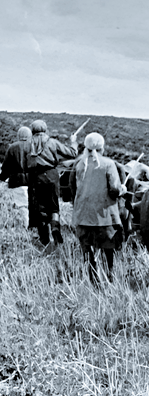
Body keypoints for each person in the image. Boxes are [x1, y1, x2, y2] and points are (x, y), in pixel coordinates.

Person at [69, 133, 127, 282]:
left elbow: (72, 188)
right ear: (102, 147)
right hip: (105, 217)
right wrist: (123, 189)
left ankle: (93, 280)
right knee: (108, 251)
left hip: (82, 216)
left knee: (87, 252)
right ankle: (110, 278)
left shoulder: (79, 164)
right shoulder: (108, 164)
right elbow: (114, 190)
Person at [26, 119, 78, 245]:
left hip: (34, 177)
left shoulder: (27, 144)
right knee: (54, 206)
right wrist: (73, 142)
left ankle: (44, 239)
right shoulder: (52, 142)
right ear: (45, 129)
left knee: (39, 208)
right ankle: (55, 228)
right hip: (51, 176)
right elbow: (73, 153)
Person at [0, 126, 32, 226]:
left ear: (18, 135)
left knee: (22, 206)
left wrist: (2, 178)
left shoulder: (12, 147)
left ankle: (25, 227)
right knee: (31, 205)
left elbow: (5, 167)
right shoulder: (35, 146)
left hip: (16, 182)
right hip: (33, 181)